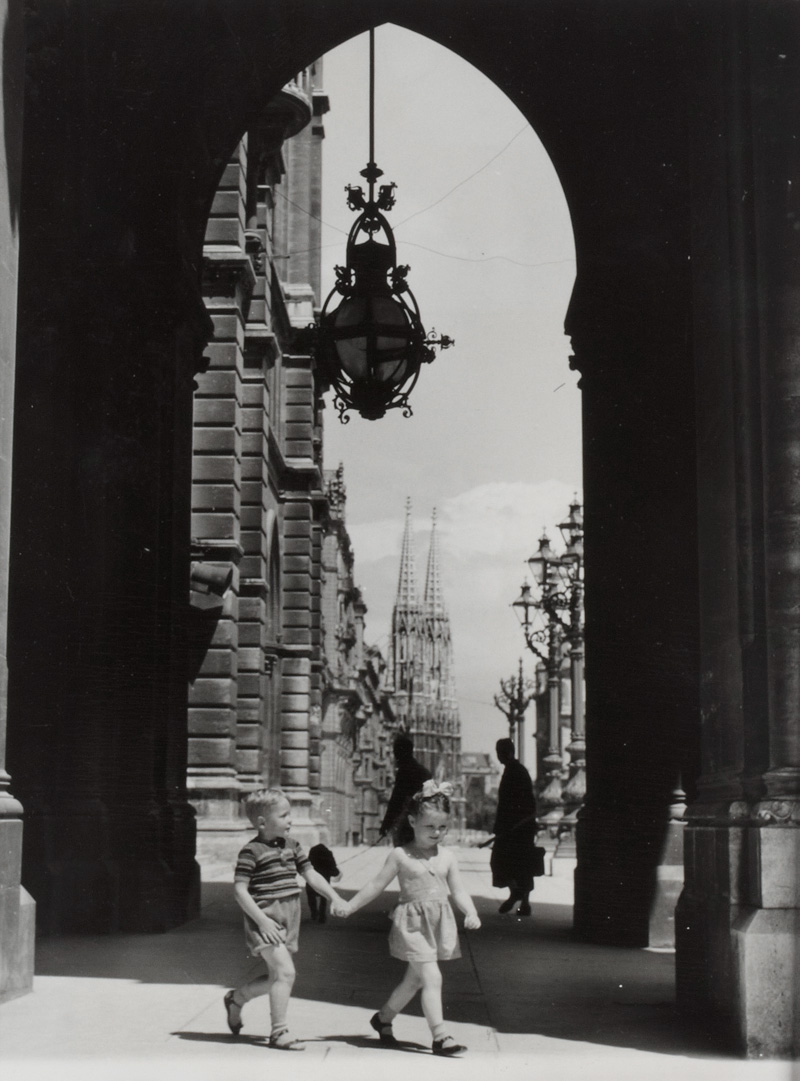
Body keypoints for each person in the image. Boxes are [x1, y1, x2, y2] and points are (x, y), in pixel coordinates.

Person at [340, 780, 481, 1057]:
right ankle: (440, 1036)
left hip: (437, 924)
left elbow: (459, 890)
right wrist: (350, 905)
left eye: (442, 827)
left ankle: (383, 1019)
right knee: (432, 976)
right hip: (412, 926)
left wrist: (471, 911)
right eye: (430, 827)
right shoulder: (400, 855)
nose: (437, 833)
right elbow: (375, 885)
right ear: (413, 821)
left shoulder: (448, 857)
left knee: (414, 981)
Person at [224, 788, 347, 1049]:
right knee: (286, 973)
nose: (291, 819)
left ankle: (236, 999)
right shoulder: (251, 852)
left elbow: (311, 875)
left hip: (289, 917)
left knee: (276, 978)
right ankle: (279, 1032)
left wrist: (334, 897)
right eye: (284, 815)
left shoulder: (292, 846)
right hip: (264, 919)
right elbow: (239, 890)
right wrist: (262, 921)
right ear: (262, 822)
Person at [491, 738, 537, 916]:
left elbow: (519, 803)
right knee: (517, 866)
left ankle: (519, 897)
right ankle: (520, 899)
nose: (498, 756)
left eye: (500, 753)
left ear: (508, 753)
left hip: (517, 828)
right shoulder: (514, 770)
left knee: (510, 864)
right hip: (516, 828)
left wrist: (508, 825)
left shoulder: (515, 772)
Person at [379, 733, 432, 844]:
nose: (394, 755)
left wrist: (386, 825)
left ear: (401, 752)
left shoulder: (404, 771)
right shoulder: (425, 773)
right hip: (424, 825)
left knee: (403, 856)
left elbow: (396, 800)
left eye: (396, 752)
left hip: (407, 825)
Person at [305, 841, 341, 923]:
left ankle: (314, 913)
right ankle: (322, 915)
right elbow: (333, 868)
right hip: (325, 878)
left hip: (312, 878)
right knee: (324, 897)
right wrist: (336, 871)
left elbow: (307, 865)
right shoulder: (328, 853)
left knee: (311, 897)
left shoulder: (313, 852)